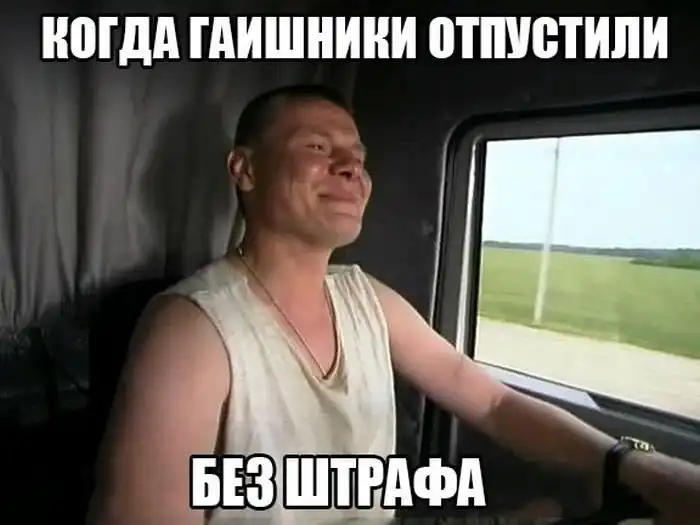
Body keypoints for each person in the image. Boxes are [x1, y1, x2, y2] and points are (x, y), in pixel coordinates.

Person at [87, 84, 700, 525]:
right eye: (318, 147)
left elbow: (491, 401)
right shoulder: (192, 329)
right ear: (244, 169)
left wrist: (632, 465)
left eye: (358, 156)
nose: (351, 168)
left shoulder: (365, 298)